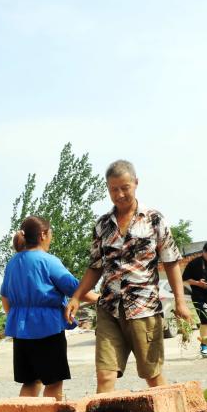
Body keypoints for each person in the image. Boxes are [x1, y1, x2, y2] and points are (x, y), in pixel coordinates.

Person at [65, 160, 192, 393]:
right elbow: (95, 267)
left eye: (125, 187)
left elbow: (172, 262)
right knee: (104, 376)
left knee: (152, 376)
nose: (120, 194)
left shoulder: (154, 219)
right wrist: (76, 297)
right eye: (114, 189)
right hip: (109, 308)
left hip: (144, 308)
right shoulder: (102, 225)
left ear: (136, 183)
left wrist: (180, 303)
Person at [0, 216, 92, 399]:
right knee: (54, 383)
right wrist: (103, 298)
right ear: (43, 235)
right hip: (48, 329)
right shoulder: (48, 261)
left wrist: (18, 318)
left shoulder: (13, 263)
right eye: (50, 234)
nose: (51, 238)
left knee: (30, 382)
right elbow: (76, 290)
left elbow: (5, 299)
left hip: (21, 331)